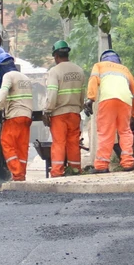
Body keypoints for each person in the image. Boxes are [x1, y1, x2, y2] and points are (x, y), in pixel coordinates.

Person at [85, 49, 134, 173]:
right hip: (126, 101)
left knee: (105, 132)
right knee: (125, 131)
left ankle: (102, 166)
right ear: (118, 61)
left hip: (108, 100)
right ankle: (128, 164)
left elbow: (93, 80)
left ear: (103, 59)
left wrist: (91, 98)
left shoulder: (99, 66)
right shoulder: (125, 69)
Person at [43, 40, 85, 177]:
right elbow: (81, 94)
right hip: (74, 112)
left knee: (59, 143)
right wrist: (79, 108)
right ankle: (75, 169)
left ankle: (57, 171)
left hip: (59, 113)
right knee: (73, 142)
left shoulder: (54, 71)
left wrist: (48, 110)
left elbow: (52, 93)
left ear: (56, 56)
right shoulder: (79, 70)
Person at [0, 55, 33, 181]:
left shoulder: (8, 76)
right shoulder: (25, 78)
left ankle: (16, 173)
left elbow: (3, 92)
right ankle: (21, 175)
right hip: (27, 116)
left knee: (7, 143)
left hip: (14, 116)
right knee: (22, 147)